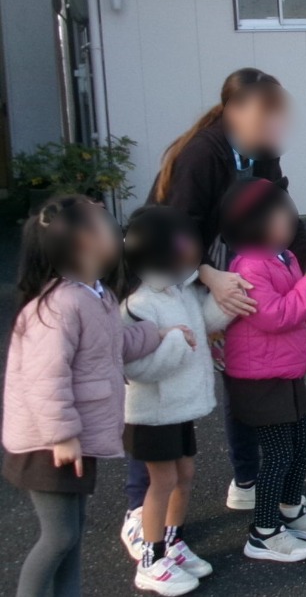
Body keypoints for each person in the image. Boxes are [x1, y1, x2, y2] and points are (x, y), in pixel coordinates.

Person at [120, 69, 306, 557]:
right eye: (265, 115)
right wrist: (207, 275)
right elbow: (175, 232)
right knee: (160, 395)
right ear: (234, 111)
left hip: (228, 276)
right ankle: (138, 511)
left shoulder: (262, 151)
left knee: (243, 368)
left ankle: (249, 480)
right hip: (170, 276)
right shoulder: (202, 154)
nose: (275, 126)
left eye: (278, 117)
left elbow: (284, 215)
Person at [3, 196, 169, 597]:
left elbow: (112, 345)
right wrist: (62, 435)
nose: (115, 232)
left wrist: (155, 334)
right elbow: (45, 378)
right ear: (82, 242)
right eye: (104, 225)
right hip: (49, 444)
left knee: (71, 536)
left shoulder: (95, 294)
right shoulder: (60, 304)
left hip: (73, 439)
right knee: (59, 537)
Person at [220, 178, 306, 562]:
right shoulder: (249, 266)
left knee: (303, 441)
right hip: (259, 379)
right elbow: (275, 315)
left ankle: (290, 507)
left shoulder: (283, 256)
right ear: (253, 223)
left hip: (285, 372)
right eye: (280, 214)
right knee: (278, 454)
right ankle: (264, 531)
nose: (290, 219)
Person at [119, 207, 234, 595]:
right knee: (163, 481)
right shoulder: (138, 303)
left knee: (184, 475)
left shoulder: (180, 289)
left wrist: (226, 304)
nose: (190, 251)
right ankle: (150, 560)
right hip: (151, 413)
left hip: (180, 408)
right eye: (182, 244)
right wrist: (174, 341)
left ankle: (173, 542)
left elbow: (201, 325)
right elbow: (137, 368)